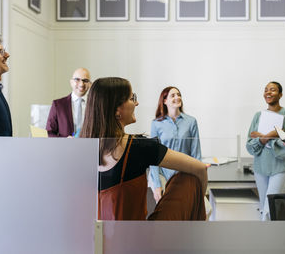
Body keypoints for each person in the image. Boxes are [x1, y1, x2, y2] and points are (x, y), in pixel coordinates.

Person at [80, 77, 208, 220]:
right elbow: (200, 168)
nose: (136, 103)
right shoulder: (139, 146)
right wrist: (200, 198)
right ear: (117, 110)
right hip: (136, 238)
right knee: (188, 179)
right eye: (131, 98)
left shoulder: (79, 151)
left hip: (93, 238)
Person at [246, 81, 285, 220]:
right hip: (260, 167)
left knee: (271, 210)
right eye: (266, 90)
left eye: (272, 90)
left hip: (280, 167)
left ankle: (268, 240)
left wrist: (262, 136)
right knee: (264, 208)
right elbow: (250, 144)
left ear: (280, 94)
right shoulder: (258, 115)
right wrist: (273, 134)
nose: (268, 92)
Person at [149, 86, 201, 203]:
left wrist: (197, 178)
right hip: (163, 175)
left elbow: (196, 153)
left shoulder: (191, 122)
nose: (177, 97)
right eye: (173, 95)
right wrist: (157, 185)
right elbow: (153, 156)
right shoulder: (156, 124)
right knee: (167, 210)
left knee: (205, 208)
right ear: (164, 101)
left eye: (179, 95)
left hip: (184, 174)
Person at [46, 68, 91, 137]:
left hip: (89, 147)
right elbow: (49, 132)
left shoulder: (96, 106)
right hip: (64, 147)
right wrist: (65, 142)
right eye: (77, 80)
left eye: (85, 80)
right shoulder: (58, 105)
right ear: (71, 82)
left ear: (90, 84)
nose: (81, 84)